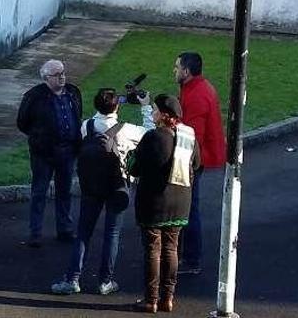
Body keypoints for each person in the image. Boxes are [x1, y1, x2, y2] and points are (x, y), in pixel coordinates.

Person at [50, 88, 154, 296]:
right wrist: (146, 107)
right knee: (112, 233)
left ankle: (72, 278)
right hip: (117, 184)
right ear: (116, 106)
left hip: (91, 184)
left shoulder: (86, 126)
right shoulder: (124, 129)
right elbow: (150, 134)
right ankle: (105, 281)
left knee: (84, 232)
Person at [129, 95, 200, 313]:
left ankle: (151, 299)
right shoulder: (189, 136)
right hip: (180, 201)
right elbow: (197, 164)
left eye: (155, 110)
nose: (152, 113)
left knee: (153, 249)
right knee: (171, 248)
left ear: (164, 114)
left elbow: (135, 168)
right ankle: (168, 298)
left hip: (154, 202)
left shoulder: (153, 137)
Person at [17, 59, 83, 247]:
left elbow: (77, 115)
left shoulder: (72, 92)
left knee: (65, 191)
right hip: (43, 153)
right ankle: (35, 233)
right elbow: (22, 122)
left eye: (63, 72)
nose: (62, 77)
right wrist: (39, 138)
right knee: (39, 192)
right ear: (46, 78)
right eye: (57, 74)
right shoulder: (34, 96)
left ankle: (64, 229)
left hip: (68, 150)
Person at [175, 51, 225, 275]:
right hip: (199, 158)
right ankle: (187, 256)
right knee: (189, 207)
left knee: (188, 209)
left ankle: (191, 258)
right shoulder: (198, 88)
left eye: (177, 67)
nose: (174, 71)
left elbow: (191, 135)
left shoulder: (196, 95)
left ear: (186, 71)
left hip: (192, 160)